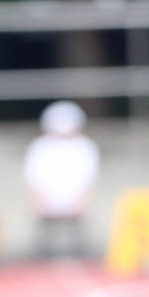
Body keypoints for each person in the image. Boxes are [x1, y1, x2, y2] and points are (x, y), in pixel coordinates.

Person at [24, 100, 99, 260]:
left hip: (75, 202)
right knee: (42, 248)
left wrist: (81, 203)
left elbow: (89, 180)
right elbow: (33, 180)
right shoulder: (39, 147)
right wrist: (40, 203)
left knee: (82, 247)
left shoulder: (85, 147)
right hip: (47, 202)